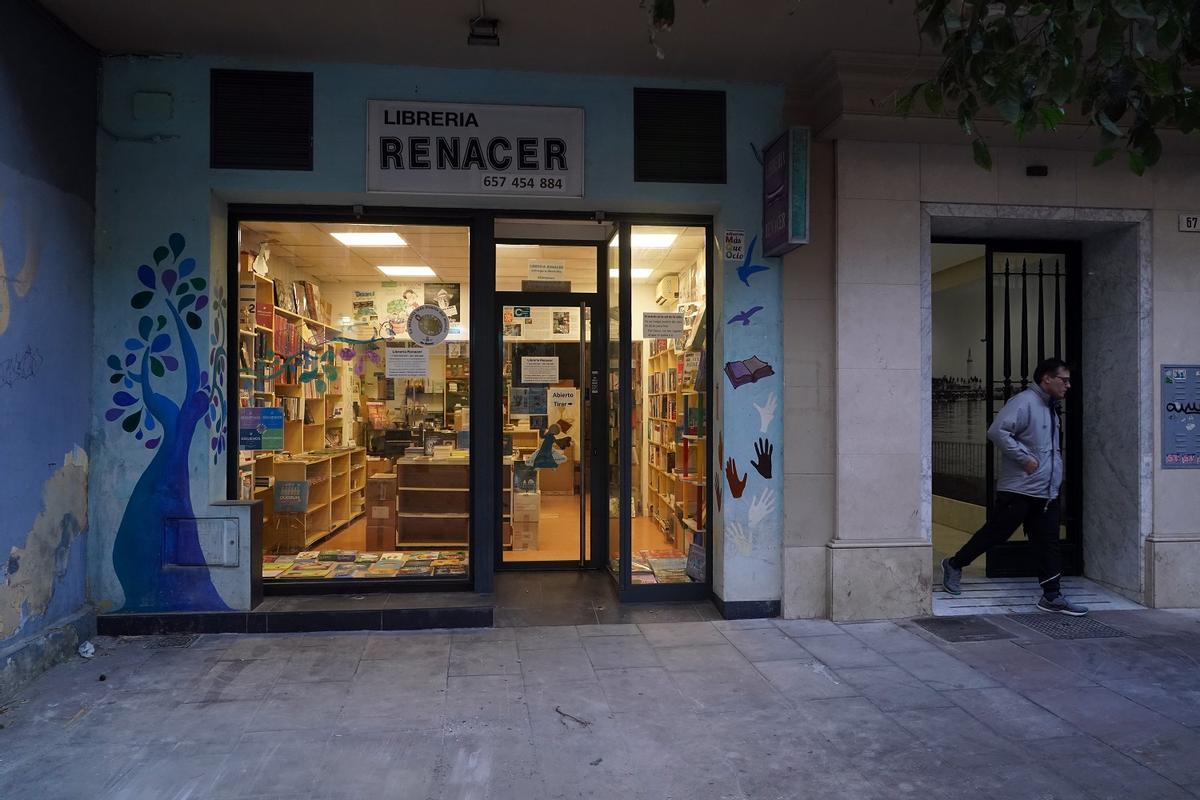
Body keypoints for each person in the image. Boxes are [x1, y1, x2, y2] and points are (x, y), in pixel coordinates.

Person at [941, 357, 1087, 615]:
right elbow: (997, 431)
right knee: (996, 533)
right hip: (1019, 488)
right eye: (1063, 380)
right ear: (1046, 379)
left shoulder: (1051, 408)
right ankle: (954, 564)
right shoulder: (1024, 402)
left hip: (1046, 490)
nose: (1068, 385)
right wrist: (1025, 459)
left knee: (1048, 541)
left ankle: (1052, 596)